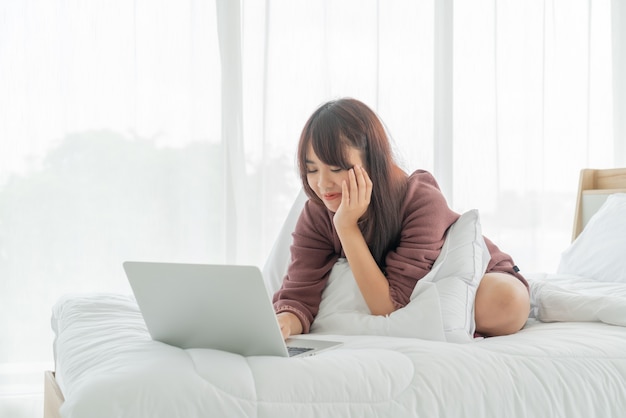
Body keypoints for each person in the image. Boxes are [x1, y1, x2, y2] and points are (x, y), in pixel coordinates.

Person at [273, 98, 530, 340]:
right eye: (312, 169)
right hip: (413, 291)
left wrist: (346, 227)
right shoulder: (317, 212)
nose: (322, 183)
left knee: (506, 302)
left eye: (336, 168)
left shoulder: (420, 199)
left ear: (373, 160)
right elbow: (298, 296)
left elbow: (390, 306)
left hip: (473, 274)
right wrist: (284, 322)